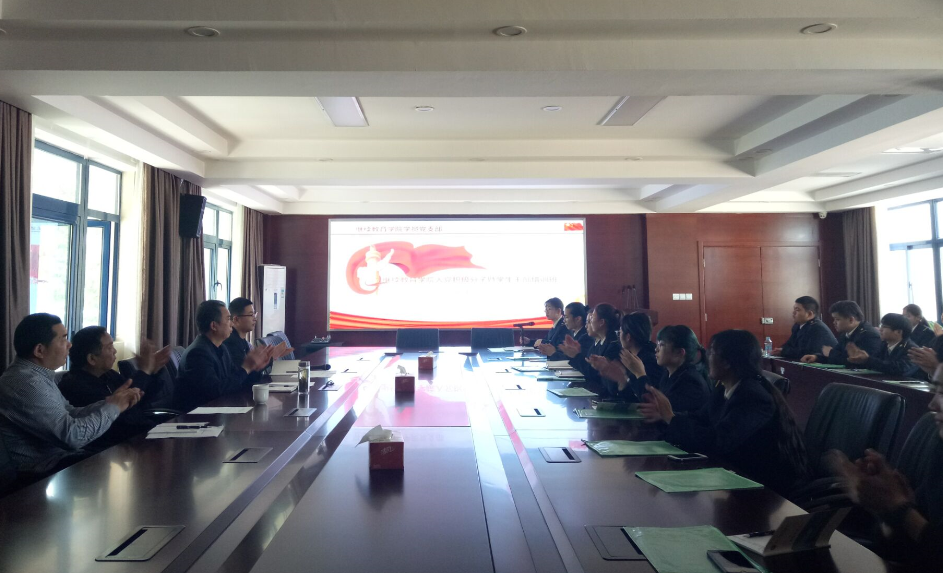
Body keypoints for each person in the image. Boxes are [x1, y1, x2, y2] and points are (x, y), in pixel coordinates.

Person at [640, 329, 810, 497]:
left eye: (712, 353)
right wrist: (668, 417)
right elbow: (700, 418)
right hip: (736, 474)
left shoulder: (753, 396)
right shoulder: (723, 388)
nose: (707, 357)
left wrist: (671, 418)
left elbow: (719, 441)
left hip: (766, 487)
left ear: (728, 362)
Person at [830, 364, 943, 571]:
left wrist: (899, 508)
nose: (932, 404)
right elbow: (901, 550)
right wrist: (884, 506)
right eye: (935, 390)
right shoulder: (940, 448)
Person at [0, 314, 142, 475]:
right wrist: (113, 408)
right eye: (63, 339)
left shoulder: (37, 376)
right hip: (40, 474)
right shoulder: (26, 383)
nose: (69, 344)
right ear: (39, 350)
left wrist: (109, 403)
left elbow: (71, 413)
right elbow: (72, 437)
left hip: (61, 461)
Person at [58, 327, 172, 449]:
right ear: (92, 359)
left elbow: (140, 399)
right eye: (109, 347)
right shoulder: (76, 386)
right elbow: (120, 418)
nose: (115, 351)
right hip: (117, 447)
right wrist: (144, 371)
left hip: (139, 437)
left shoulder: (108, 374)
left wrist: (153, 371)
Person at [174, 300, 275, 412]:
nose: (231, 323)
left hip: (219, 411)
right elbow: (215, 390)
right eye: (228, 319)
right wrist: (246, 367)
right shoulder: (198, 353)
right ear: (214, 326)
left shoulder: (221, 348)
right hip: (199, 416)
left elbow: (237, 381)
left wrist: (254, 368)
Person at [602, 325, 710, 414]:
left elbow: (656, 408)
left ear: (679, 353)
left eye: (661, 345)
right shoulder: (668, 374)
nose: (656, 349)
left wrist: (640, 373)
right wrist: (623, 381)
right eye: (657, 344)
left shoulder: (690, 381)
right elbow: (639, 402)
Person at [590, 313, 665, 401]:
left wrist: (623, 380)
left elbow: (645, 398)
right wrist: (606, 369)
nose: (618, 336)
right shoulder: (627, 356)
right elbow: (614, 390)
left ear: (628, 337)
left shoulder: (650, 360)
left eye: (620, 332)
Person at [558, 303, 622, 389]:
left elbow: (595, 375)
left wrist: (576, 355)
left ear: (601, 322)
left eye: (591, 319)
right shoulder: (598, 343)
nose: (587, 325)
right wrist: (576, 353)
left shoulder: (612, 346)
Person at [801, 300, 881, 366]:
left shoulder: (869, 335)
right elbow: (837, 354)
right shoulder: (845, 334)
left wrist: (831, 353)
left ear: (851, 320)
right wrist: (816, 357)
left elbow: (857, 362)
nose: (834, 322)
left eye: (837, 319)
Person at [846, 313, 920, 377]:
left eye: (884, 327)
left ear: (898, 332)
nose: (880, 329)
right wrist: (859, 359)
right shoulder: (883, 345)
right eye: (881, 325)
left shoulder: (912, 350)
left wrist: (868, 360)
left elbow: (901, 370)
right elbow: (876, 364)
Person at [773, 296, 838, 360]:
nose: (793, 313)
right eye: (794, 309)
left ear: (809, 314)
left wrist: (784, 351)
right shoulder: (797, 326)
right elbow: (789, 344)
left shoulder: (817, 328)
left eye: (797, 310)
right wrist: (780, 349)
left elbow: (806, 353)